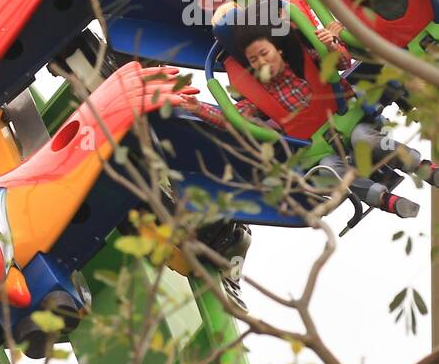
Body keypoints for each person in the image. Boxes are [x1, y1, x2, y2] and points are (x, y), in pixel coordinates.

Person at [182, 22, 439, 218]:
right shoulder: (258, 97)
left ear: (279, 50)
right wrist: (198, 108)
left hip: (349, 122)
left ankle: (421, 167)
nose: (262, 62)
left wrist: (331, 43)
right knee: (330, 171)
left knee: (364, 138)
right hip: (319, 149)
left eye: (264, 53)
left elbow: (341, 61)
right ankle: (384, 200)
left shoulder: (307, 61)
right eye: (254, 61)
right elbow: (234, 121)